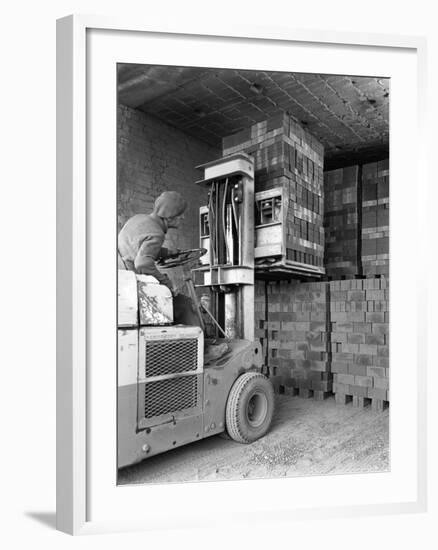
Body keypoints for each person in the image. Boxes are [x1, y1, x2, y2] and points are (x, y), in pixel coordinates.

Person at [118, 191, 187, 293]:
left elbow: (138, 248)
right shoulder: (157, 233)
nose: (183, 217)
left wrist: (168, 253)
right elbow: (143, 264)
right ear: (169, 217)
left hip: (118, 273)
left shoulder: (138, 218)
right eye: (180, 214)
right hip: (127, 282)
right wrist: (166, 283)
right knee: (180, 303)